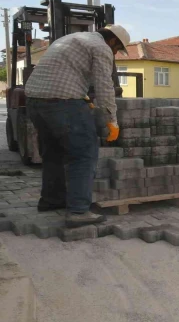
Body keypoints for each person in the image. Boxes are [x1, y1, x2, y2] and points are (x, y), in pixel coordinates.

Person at [25, 25, 130, 228]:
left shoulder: (70, 39)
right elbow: (104, 85)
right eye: (117, 49)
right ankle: (78, 212)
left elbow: (62, 74)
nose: (115, 53)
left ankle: (51, 200)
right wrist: (112, 120)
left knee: (53, 153)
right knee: (84, 154)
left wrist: (82, 97)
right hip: (63, 102)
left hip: (34, 102)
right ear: (113, 41)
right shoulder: (101, 48)